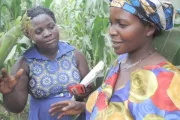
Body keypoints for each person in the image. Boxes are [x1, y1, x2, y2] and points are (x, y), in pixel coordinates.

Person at [49, 0, 180, 120]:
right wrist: (86, 108)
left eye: (122, 25)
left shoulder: (169, 82)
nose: (111, 31)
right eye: (111, 23)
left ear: (150, 28)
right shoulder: (121, 62)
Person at [0, 6, 92, 120]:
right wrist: (9, 93)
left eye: (51, 27)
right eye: (38, 31)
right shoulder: (24, 63)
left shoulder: (74, 54)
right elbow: (17, 108)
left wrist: (82, 93)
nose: (47, 33)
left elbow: (89, 89)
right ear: (29, 35)